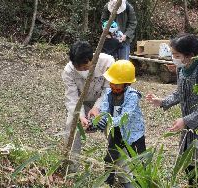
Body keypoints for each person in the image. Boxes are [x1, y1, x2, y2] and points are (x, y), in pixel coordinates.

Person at [146, 33, 198, 186]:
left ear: (189, 55)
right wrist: (163, 101)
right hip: (188, 129)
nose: (173, 58)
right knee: (189, 162)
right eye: (172, 54)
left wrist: (185, 120)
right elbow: (179, 92)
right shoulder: (181, 70)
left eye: (176, 55)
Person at [62, 41, 115, 171]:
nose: (82, 71)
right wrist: (80, 116)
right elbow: (72, 98)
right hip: (82, 103)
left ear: (92, 58)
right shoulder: (68, 71)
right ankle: (71, 168)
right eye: (78, 68)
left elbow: (109, 90)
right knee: (71, 126)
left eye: (85, 67)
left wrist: (97, 107)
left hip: (105, 102)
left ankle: (117, 169)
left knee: (115, 129)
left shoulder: (107, 62)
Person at [93, 60, 146, 187]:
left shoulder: (132, 96)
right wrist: (99, 119)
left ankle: (140, 183)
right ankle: (108, 182)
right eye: (112, 83)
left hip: (133, 132)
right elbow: (104, 109)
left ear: (126, 84)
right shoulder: (108, 93)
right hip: (116, 131)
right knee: (110, 157)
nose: (113, 86)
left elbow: (124, 118)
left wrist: (107, 121)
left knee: (138, 160)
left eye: (118, 84)